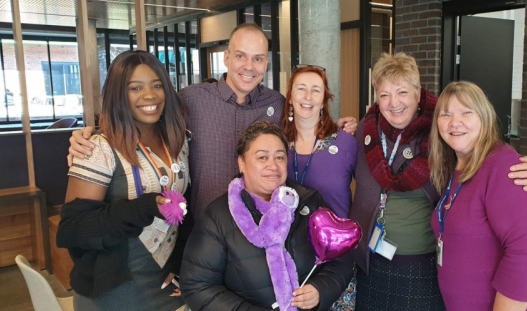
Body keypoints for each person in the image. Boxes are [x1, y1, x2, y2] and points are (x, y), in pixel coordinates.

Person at [67, 23, 357, 221]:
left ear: (266, 64)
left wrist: (338, 126)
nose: (249, 66)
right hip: (205, 231)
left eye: (258, 59)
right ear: (227, 57)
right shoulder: (191, 99)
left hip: (263, 231)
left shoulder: (277, 104)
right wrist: (96, 135)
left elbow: (305, 120)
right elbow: (147, 116)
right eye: (241, 56)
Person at [349, 53, 527, 311]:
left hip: (424, 266)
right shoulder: (367, 132)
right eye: (384, 95)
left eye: (402, 92)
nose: (394, 103)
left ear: (418, 93)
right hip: (374, 262)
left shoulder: (450, 140)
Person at [56, 50, 190, 311]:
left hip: (166, 285)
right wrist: (143, 208)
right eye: (135, 88)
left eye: (157, 85)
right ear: (119, 94)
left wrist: (181, 262)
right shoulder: (97, 149)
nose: (149, 96)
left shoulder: (178, 141)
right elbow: (72, 230)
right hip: (114, 291)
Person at [180, 121, 353, 311]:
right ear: (241, 163)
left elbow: (341, 260)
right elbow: (197, 286)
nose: (273, 166)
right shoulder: (217, 217)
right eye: (262, 157)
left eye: (279, 157)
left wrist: (321, 289)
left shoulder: (309, 203)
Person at [429, 81, 527, 310]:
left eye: (466, 112)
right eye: (445, 114)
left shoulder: (504, 166)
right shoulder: (456, 166)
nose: (454, 122)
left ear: (484, 117)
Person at [280, 64, 358, 309]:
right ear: (290, 96)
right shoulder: (277, 144)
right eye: (301, 89)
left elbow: (368, 192)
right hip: (287, 256)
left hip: (335, 260)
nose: (308, 97)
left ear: (324, 98)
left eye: (316, 90)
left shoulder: (345, 143)